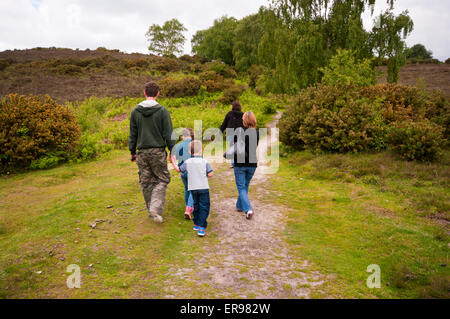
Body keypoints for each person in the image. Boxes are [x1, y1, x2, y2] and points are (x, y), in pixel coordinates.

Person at [128, 81, 175, 223]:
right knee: (162, 179)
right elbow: (168, 133)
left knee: (146, 182)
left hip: (141, 152)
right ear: (158, 93)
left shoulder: (135, 111)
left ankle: (151, 210)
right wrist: (172, 150)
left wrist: (132, 151)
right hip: (158, 152)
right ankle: (155, 208)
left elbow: (133, 134)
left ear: (144, 93)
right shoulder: (162, 111)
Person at [179, 140, 214, 237]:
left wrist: (173, 161)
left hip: (193, 188)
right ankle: (201, 228)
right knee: (204, 206)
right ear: (201, 150)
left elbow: (180, 170)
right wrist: (206, 174)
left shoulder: (188, 162)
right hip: (203, 188)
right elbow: (210, 174)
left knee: (196, 205)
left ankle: (196, 223)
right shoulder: (204, 162)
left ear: (190, 152)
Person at [233, 111, 259, 220]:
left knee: (241, 187)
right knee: (245, 185)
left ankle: (248, 209)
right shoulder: (257, 132)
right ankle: (240, 206)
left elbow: (235, 146)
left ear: (245, 120)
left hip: (240, 163)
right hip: (252, 163)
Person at [170, 128, 195, 220]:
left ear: (183, 136)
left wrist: (176, 166)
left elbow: (172, 157)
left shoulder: (179, 145)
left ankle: (187, 206)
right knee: (193, 189)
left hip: (182, 171)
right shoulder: (194, 145)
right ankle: (189, 208)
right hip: (193, 170)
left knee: (186, 188)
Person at [220, 101, 244, 168]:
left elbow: (224, 124)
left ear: (232, 106)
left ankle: (233, 163)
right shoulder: (243, 114)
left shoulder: (229, 114)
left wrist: (220, 132)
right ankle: (239, 162)